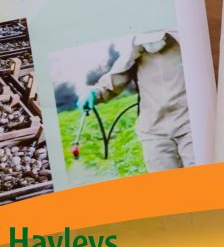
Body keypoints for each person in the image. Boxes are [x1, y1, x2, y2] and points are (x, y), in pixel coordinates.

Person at [82, 33, 193, 172]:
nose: (151, 45)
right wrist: (95, 93)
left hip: (190, 125)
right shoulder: (134, 52)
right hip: (153, 131)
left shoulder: (186, 44)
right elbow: (114, 80)